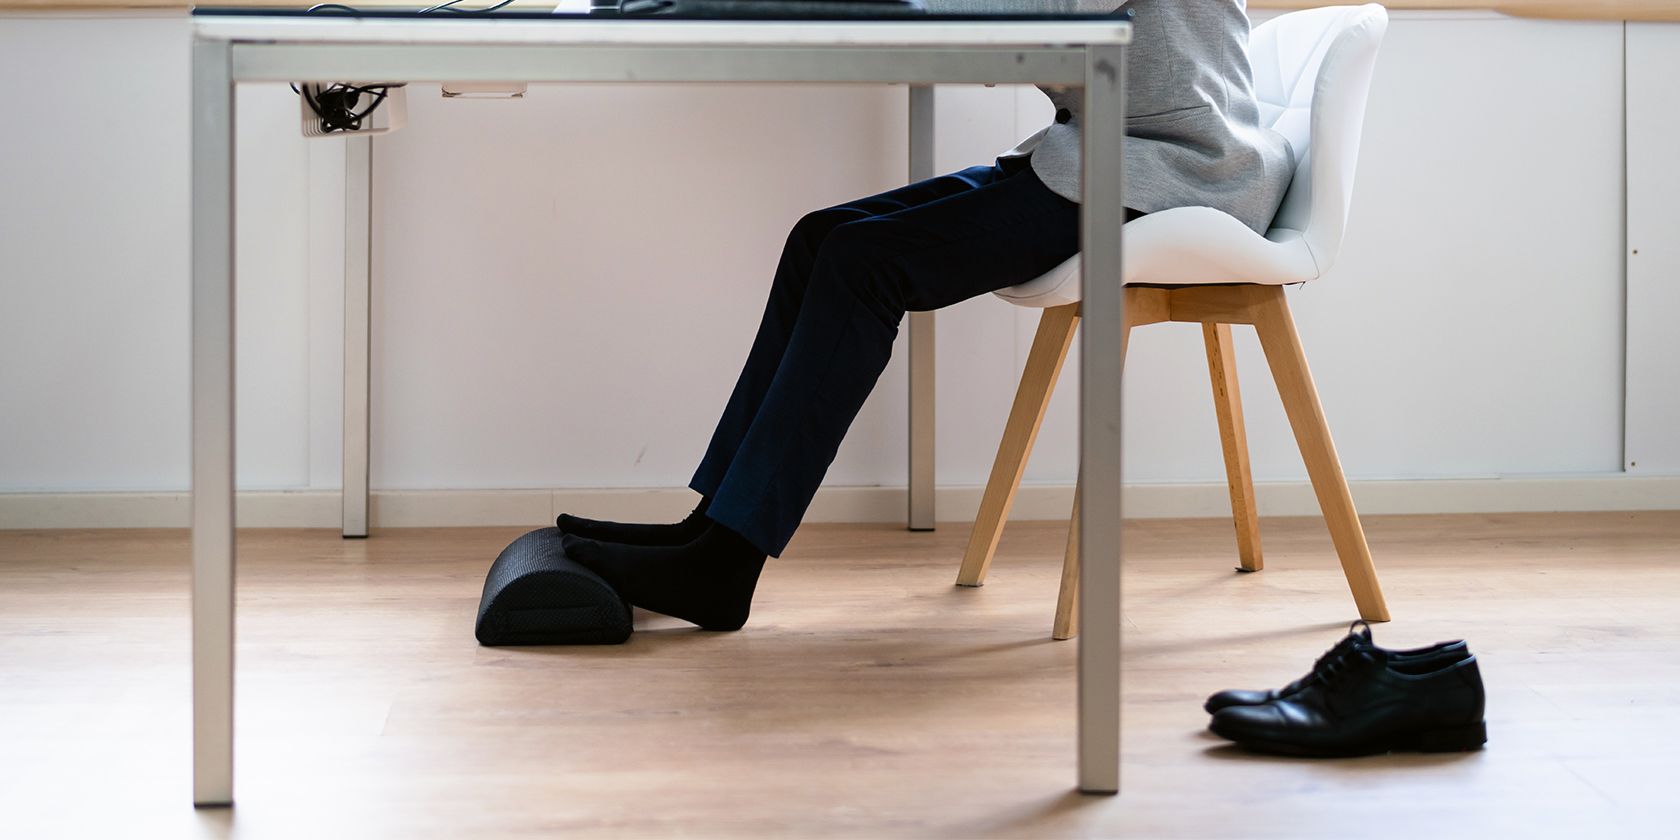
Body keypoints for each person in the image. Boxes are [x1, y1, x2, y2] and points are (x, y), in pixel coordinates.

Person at [557, 0, 1295, 631]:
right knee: (823, 239)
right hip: (1102, 153)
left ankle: (724, 565)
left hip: (1169, 172)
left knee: (863, 263)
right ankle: (711, 528)